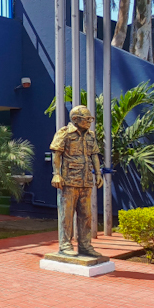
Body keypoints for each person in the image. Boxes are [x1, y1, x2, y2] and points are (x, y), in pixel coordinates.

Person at [50, 105, 104, 257]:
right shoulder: (65, 133)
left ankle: (85, 245)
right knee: (66, 215)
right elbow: (56, 154)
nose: (89, 122)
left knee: (86, 215)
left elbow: (94, 155)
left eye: (90, 119)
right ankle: (65, 245)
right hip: (69, 181)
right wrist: (56, 174)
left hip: (86, 180)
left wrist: (98, 173)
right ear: (75, 119)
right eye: (86, 119)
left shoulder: (91, 135)